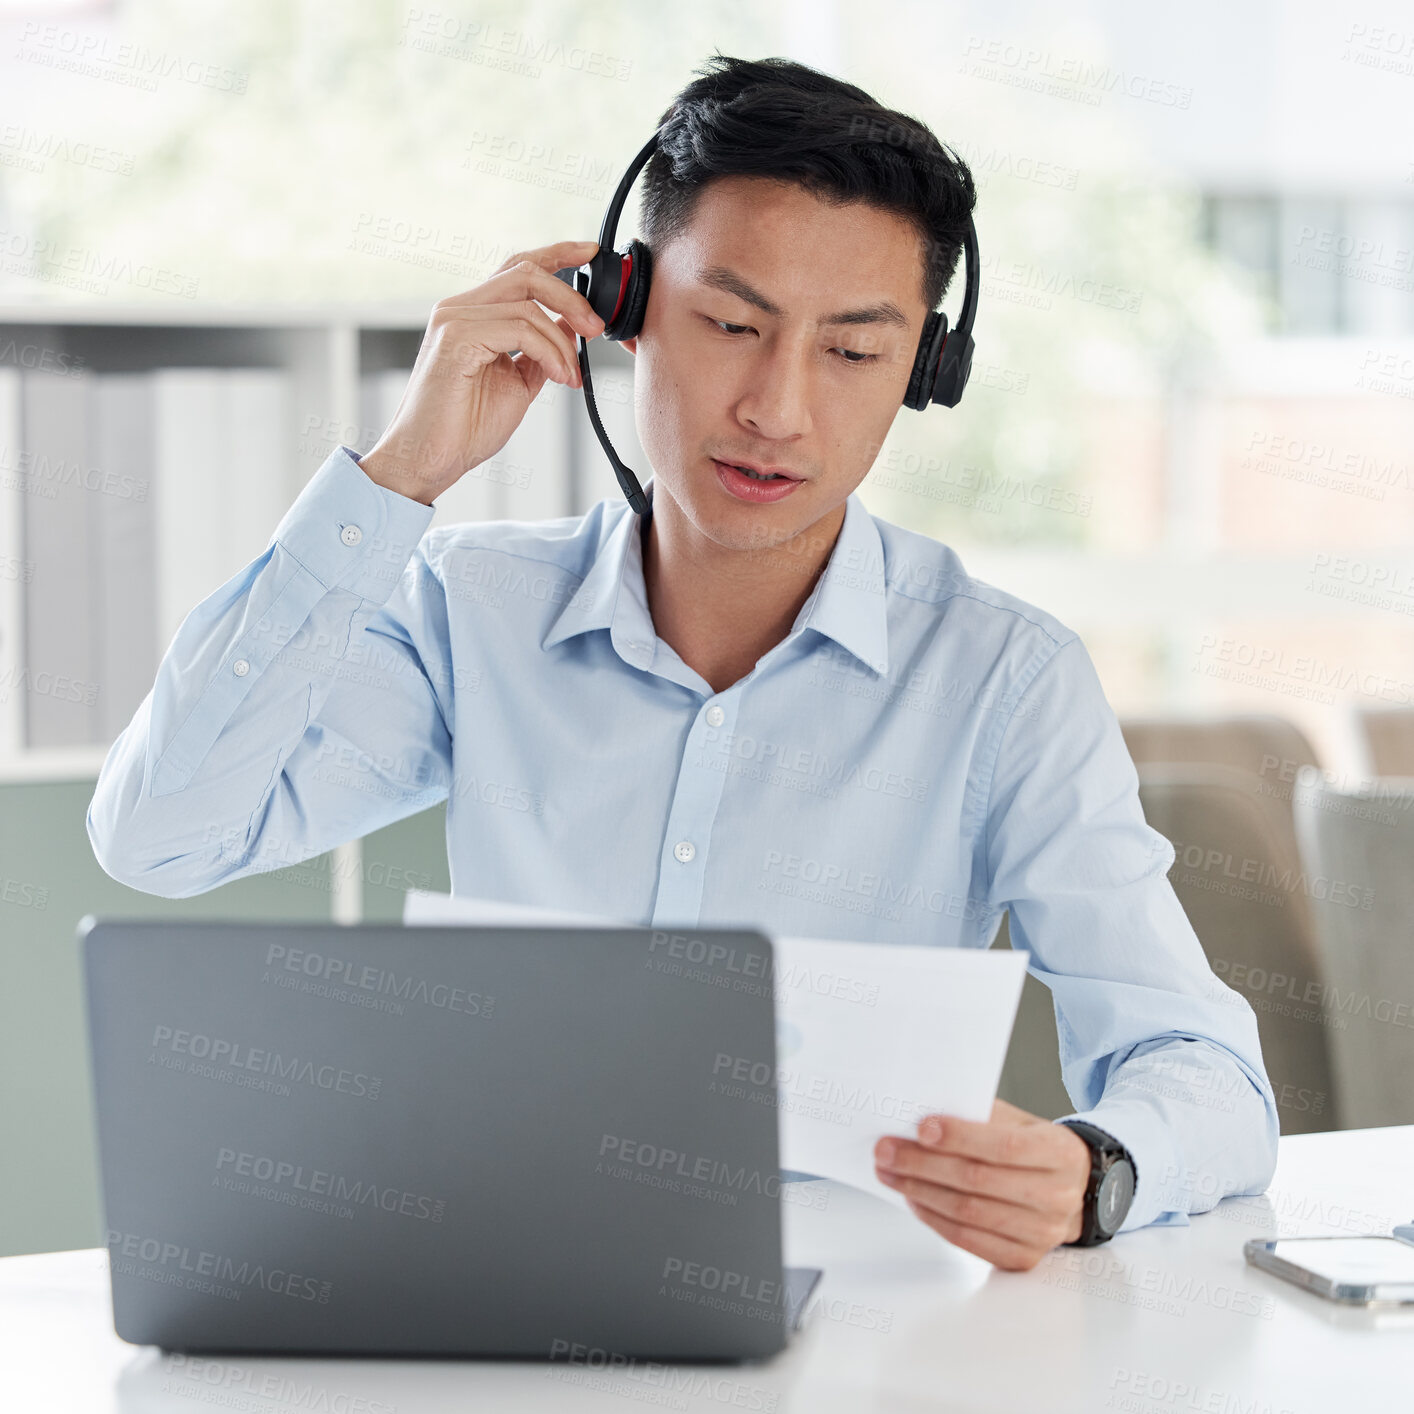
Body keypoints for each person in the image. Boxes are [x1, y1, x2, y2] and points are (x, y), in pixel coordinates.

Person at [87, 54, 1277, 1272]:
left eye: (854, 354)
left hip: (860, 1339)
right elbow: (162, 835)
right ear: (623, 306)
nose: (777, 408)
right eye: (729, 324)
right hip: (508, 1291)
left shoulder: (1002, 679)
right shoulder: (471, 608)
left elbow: (1206, 1070)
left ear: (926, 371)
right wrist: (400, 476)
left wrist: (1098, 1168)